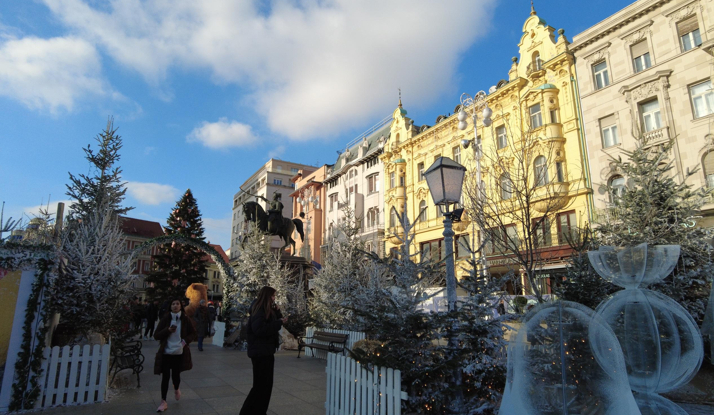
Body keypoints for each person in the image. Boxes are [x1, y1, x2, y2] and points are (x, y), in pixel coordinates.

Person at [239, 286, 288, 415]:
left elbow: (273, 322)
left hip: (265, 351)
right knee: (260, 386)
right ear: (267, 296)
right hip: (260, 353)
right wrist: (278, 323)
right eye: (273, 296)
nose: (274, 298)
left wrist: (278, 314)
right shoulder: (258, 309)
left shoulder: (266, 309)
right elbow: (259, 329)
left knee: (265, 386)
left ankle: (259, 411)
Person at [154, 298, 197, 413]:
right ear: (170, 306)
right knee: (165, 377)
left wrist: (183, 342)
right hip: (166, 352)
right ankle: (163, 401)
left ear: (181, 306)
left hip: (179, 352)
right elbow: (156, 335)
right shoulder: (166, 319)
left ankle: (176, 388)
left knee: (175, 376)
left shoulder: (185, 319)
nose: (175, 306)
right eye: (173, 304)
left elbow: (193, 333)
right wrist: (167, 330)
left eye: (177, 304)